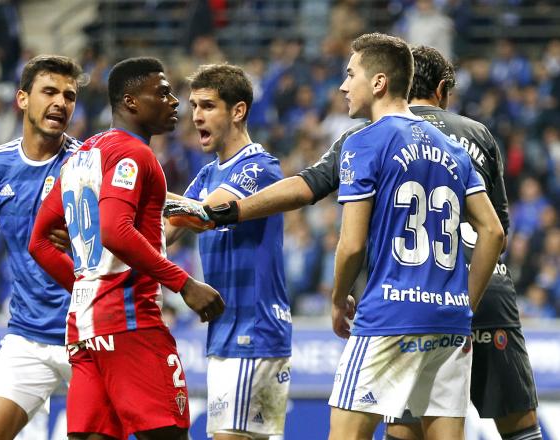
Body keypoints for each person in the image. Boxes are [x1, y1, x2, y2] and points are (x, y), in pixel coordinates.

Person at [178, 45, 543, 440]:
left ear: (379, 82)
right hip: (450, 318)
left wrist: (338, 299)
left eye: (351, 75)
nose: (342, 86)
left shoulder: (364, 142)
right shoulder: (456, 148)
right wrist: (465, 307)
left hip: (389, 313)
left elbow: (350, 243)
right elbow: (494, 230)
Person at [28, 57, 225, 440]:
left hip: (84, 329)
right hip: (132, 323)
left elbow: (38, 242)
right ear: (131, 102)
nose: (174, 102)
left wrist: (88, 287)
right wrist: (185, 284)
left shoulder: (82, 155)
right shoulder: (135, 155)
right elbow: (116, 232)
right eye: (162, 93)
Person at [385, 47, 542, 440]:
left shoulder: (379, 135)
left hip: (414, 297)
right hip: (484, 291)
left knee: (407, 428)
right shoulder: (477, 134)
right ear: (442, 89)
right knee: (520, 428)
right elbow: (498, 229)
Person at [0, 54, 84, 440]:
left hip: (87, 334)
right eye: (50, 91)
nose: (60, 102)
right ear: (22, 98)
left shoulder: (87, 163)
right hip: (27, 334)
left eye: (69, 96)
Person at [166, 64, 292, 440]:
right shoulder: (207, 175)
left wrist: (138, 184)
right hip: (228, 333)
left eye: (208, 105)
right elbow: (164, 231)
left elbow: (205, 215)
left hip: (254, 332)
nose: (196, 116)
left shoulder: (260, 167)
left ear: (238, 111)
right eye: (193, 106)